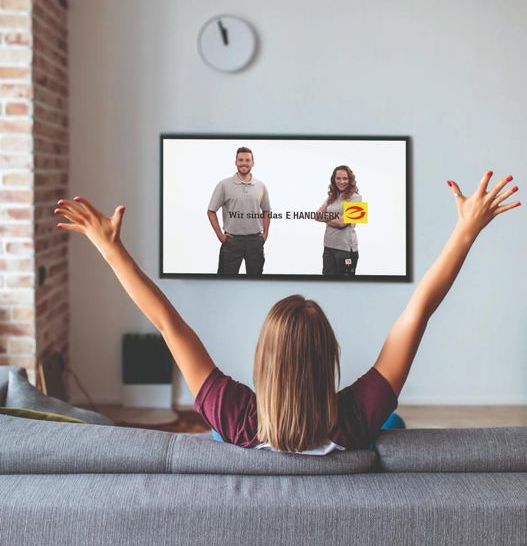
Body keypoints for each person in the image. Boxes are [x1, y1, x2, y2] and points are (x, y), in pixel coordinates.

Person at [54, 170, 520, 454]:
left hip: (243, 436)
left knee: (217, 439)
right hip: (352, 431)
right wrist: (466, 231)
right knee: (393, 425)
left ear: (264, 357)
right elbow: (417, 313)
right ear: (329, 355)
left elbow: (166, 323)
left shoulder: (235, 416)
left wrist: (109, 248)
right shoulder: (357, 417)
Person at [207, 147, 271, 276]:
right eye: (241, 160)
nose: (244, 163)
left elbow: (266, 211)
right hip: (232, 241)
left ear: (253, 163)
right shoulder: (224, 185)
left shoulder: (260, 186)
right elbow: (211, 211)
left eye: (247, 160)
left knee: (256, 281)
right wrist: (220, 236)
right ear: (235, 162)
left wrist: (265, 234)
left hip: (255, 241)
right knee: (224, 281)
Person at [316, 165, 361, 276]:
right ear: (334, 180)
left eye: (345, 178)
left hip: (345, 250)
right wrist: (335, 217)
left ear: (350, 180)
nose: (341, 181)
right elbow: (316, 215)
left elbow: (342, 223)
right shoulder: (332, 197)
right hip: (328, 247)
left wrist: (325, 218)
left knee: (345, 285)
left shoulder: (357, 198)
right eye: (338, 178)